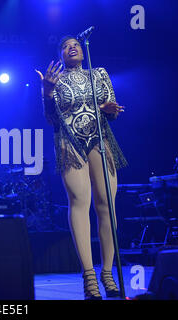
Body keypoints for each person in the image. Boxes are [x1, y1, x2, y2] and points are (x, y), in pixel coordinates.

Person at [35, 35, 128, 299]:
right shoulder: (54, 80)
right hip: (69, 141)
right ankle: (89, 276)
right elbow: (51, 119)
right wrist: (46, 92)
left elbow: (114, 112)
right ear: (60, 55)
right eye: (65, 46)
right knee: (79, 201)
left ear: (83, 51)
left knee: (106, 204)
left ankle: (108, 273)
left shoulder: (98, 74)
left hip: (100, 140)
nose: (72, 47)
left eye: (75, 44)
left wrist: (110, 108)